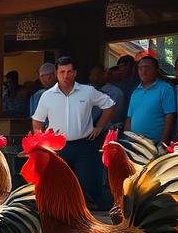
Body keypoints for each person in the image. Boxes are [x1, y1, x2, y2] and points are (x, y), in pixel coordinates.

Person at [31, 56, 117, 209]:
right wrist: (41, 142)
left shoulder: (88, 91)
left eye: (69, 71)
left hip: (83, 146)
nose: (66, 75)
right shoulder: (47, 96)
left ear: (75, 73)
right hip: (57, 148)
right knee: (58, 185)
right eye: (62, 72)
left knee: (85, 185)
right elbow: (37, 120)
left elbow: (110, 105)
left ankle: (85, 222)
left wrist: (99, 126)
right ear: (56, 73)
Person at [124, 56, 177, 145]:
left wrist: (163, 143)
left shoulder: (165, 88)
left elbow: (170, 117)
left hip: (154, 145)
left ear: (156, 70)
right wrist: (126, 140)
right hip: (135, 144)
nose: (143, 71)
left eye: (147, 67)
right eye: (140, 68)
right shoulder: (136, 91)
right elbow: (129, 117)